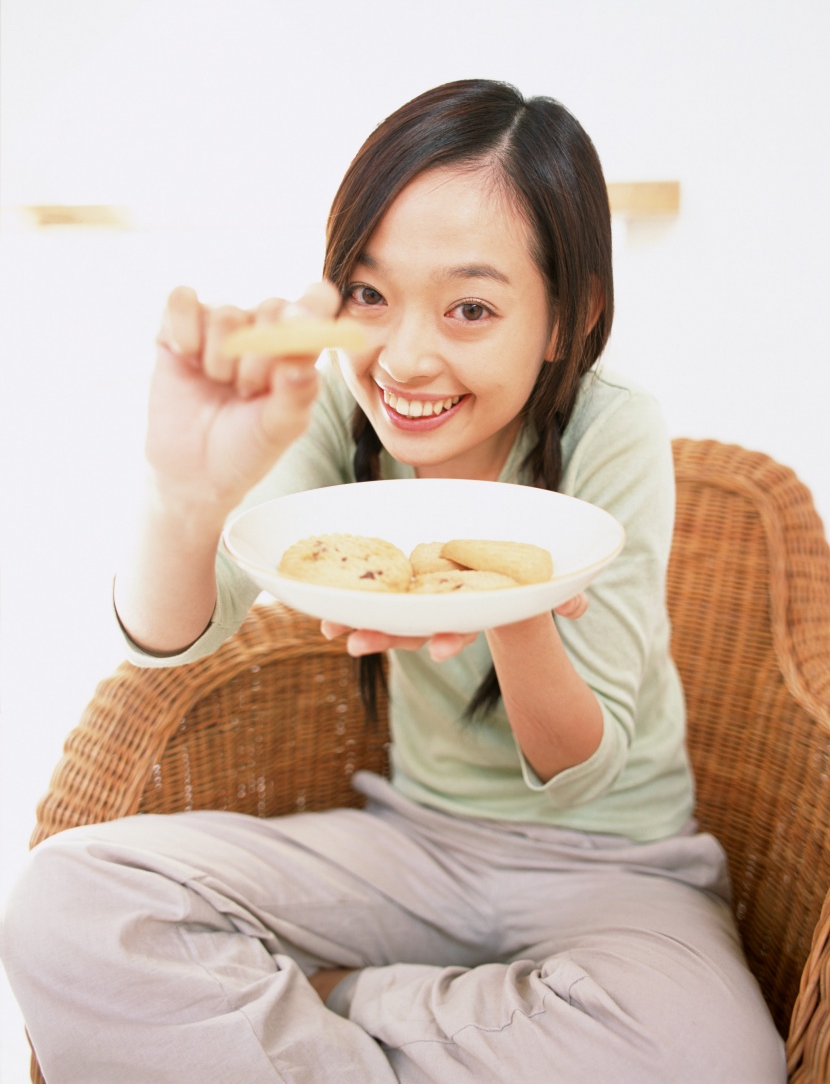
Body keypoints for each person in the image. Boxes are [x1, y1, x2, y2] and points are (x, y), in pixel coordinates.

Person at [1, 79, 785, 1083]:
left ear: (566, 317)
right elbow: (181, 633)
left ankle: (339, 1003)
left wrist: (509, 606)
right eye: (369, 295)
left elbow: (582, 764)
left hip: (611, 869)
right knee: (68, 899)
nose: (404, 358)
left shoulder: (607, 427)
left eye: (469, 307)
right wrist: (180, 494)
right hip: (414, 849)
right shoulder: (333, 407)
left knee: (710, 1052)